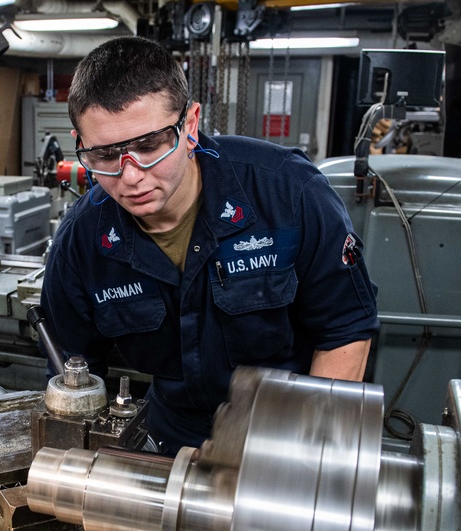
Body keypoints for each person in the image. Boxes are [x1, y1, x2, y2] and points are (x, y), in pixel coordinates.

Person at [39, 36, 379, 455]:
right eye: (105, 154)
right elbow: (73, 370)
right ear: (80, 143)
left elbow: (345, 331)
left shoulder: (288, 194)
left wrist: (306, 453)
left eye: (149, 146)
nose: (131, 176)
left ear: (191, 124)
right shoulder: (82, 240)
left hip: (287, 431)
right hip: (169, 436)